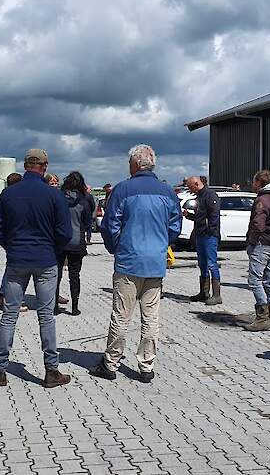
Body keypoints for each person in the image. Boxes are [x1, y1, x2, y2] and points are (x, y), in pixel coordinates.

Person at [91, 144, 181, 383]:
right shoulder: (167, 191)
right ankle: (146, 366)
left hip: (129, 262)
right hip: (155, 263)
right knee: (151, 317)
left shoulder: (122, 190)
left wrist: (117, 248)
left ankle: (111, 363)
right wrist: (161, 245)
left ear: (134, 164)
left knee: (121, 315)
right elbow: (175, 227)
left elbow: (109, 226)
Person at [0, 149, 72, 388]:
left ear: (25, 166)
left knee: (9, 315)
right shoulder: (54, 195)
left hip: (16, 261)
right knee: (46, 316)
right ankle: (51, 371)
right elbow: (65, 232)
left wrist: (11, 247)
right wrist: (52, 250)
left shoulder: (8, 194)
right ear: (44, 166)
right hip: (45, 261)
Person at [243, 170, 270, 332]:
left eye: (254, 182)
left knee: (254, 280)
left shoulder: (262, 200)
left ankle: (262, 316)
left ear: (259, 182)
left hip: (263, 244)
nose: (252, 185)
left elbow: (258, 225)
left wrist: (251, 242)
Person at [57, 171, 94, 316]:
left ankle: (54, 305)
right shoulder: (84, 201)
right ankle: (74, 307)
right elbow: (87, 223)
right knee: (74, 276)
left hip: (60, 242)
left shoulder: (59, 199)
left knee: (56, 275)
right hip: (77, 243)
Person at [185, 175, 222, 304]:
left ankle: (217, 295)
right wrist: (189, 216)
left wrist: (209, 231)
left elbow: (214, 215)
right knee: (203, 264)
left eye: (190, 187)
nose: (190, 190)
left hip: (209, 236)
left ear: (196, 183)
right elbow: (200, 217)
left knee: (212, 264)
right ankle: (204, 292)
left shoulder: (210, 195)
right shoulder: (199, 196)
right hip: (200, 235)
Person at [0, 172, 29, 312]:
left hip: (10, 239)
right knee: (16, 274)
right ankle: (12, 301)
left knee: (10, 270)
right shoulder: (17, 197)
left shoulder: (4, 195)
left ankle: (3, 298)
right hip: (18, 238)